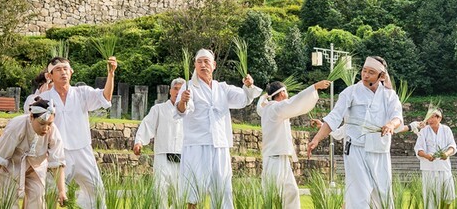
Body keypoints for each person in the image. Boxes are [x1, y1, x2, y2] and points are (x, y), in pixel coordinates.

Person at [308, 56, 403, 209]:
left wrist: (391, 124)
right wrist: (317, 139)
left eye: (371, 72)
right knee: (358, 195)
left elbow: (397, 116)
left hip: (380, 150)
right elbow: (334, 117)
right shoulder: (350, 92)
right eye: (364, 71)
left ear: (381, 76)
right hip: (356, 150)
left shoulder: (389, 95)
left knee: (383, 196)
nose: (365, 75)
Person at [175, 49, 261, 209]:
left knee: (223, 188)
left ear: (214, 65)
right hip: (197, 144)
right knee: (193, 188)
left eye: (206, 61)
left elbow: (244, 99)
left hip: (220, 144)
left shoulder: (222, 88)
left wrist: (248, 86)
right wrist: (183, 101)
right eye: (199, 62)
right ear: (195, 65)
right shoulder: (189, 87)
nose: (203, 65)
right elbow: (183, 110)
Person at [39, 55, 116, 209]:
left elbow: (105, 97)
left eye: (66, 69)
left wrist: (111, 74)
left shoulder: (82, 93)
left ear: (71, 72)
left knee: (96, 191)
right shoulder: (43, 99)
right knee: (51, 194)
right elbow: (37, 126)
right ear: (50, 76)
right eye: (58, 69)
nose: (63, 72)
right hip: (57, 152)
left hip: (83, 150)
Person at [0, 97, 68, 208]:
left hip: (35, 169)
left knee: (37, 199)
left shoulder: (53, 131)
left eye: (49, 124)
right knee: (8, 204)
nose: (46, 128)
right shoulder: (16, 127)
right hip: (10, 169)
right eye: (42, 123)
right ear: (31, 117)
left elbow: (58, 162)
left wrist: (61, 191)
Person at [257, 79, 330, 209]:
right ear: (281, 93)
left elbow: (260, 105)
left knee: (292, 192)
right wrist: (314, 87)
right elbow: (295, 102)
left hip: (280, 157)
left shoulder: (266, 109)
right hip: (275, 158)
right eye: (286, 91)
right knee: (273, 195)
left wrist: (265, 95)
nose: (288, 94)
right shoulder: (275, 108)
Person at [133, 78, 186, 207]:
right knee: (160, 191)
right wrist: (139, 142)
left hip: (183, 157)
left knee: (180, 195)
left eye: (180, 90)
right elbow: (147, 124)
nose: (177, 92)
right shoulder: (159, 109)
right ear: (170, 91)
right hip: (163, 156)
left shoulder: (189, 112)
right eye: (175, 89)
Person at [414, 109, 457, 209]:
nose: (430, 120)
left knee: (448, 195)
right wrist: (426, 156)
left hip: (444, 167)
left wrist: (446, 154)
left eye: (433, 117)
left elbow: (452, 146)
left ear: (439, 118)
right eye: (429, 117)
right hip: (429, 168)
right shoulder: (424, 131)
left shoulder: (446, 130)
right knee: (430, 197)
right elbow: (418, 149)